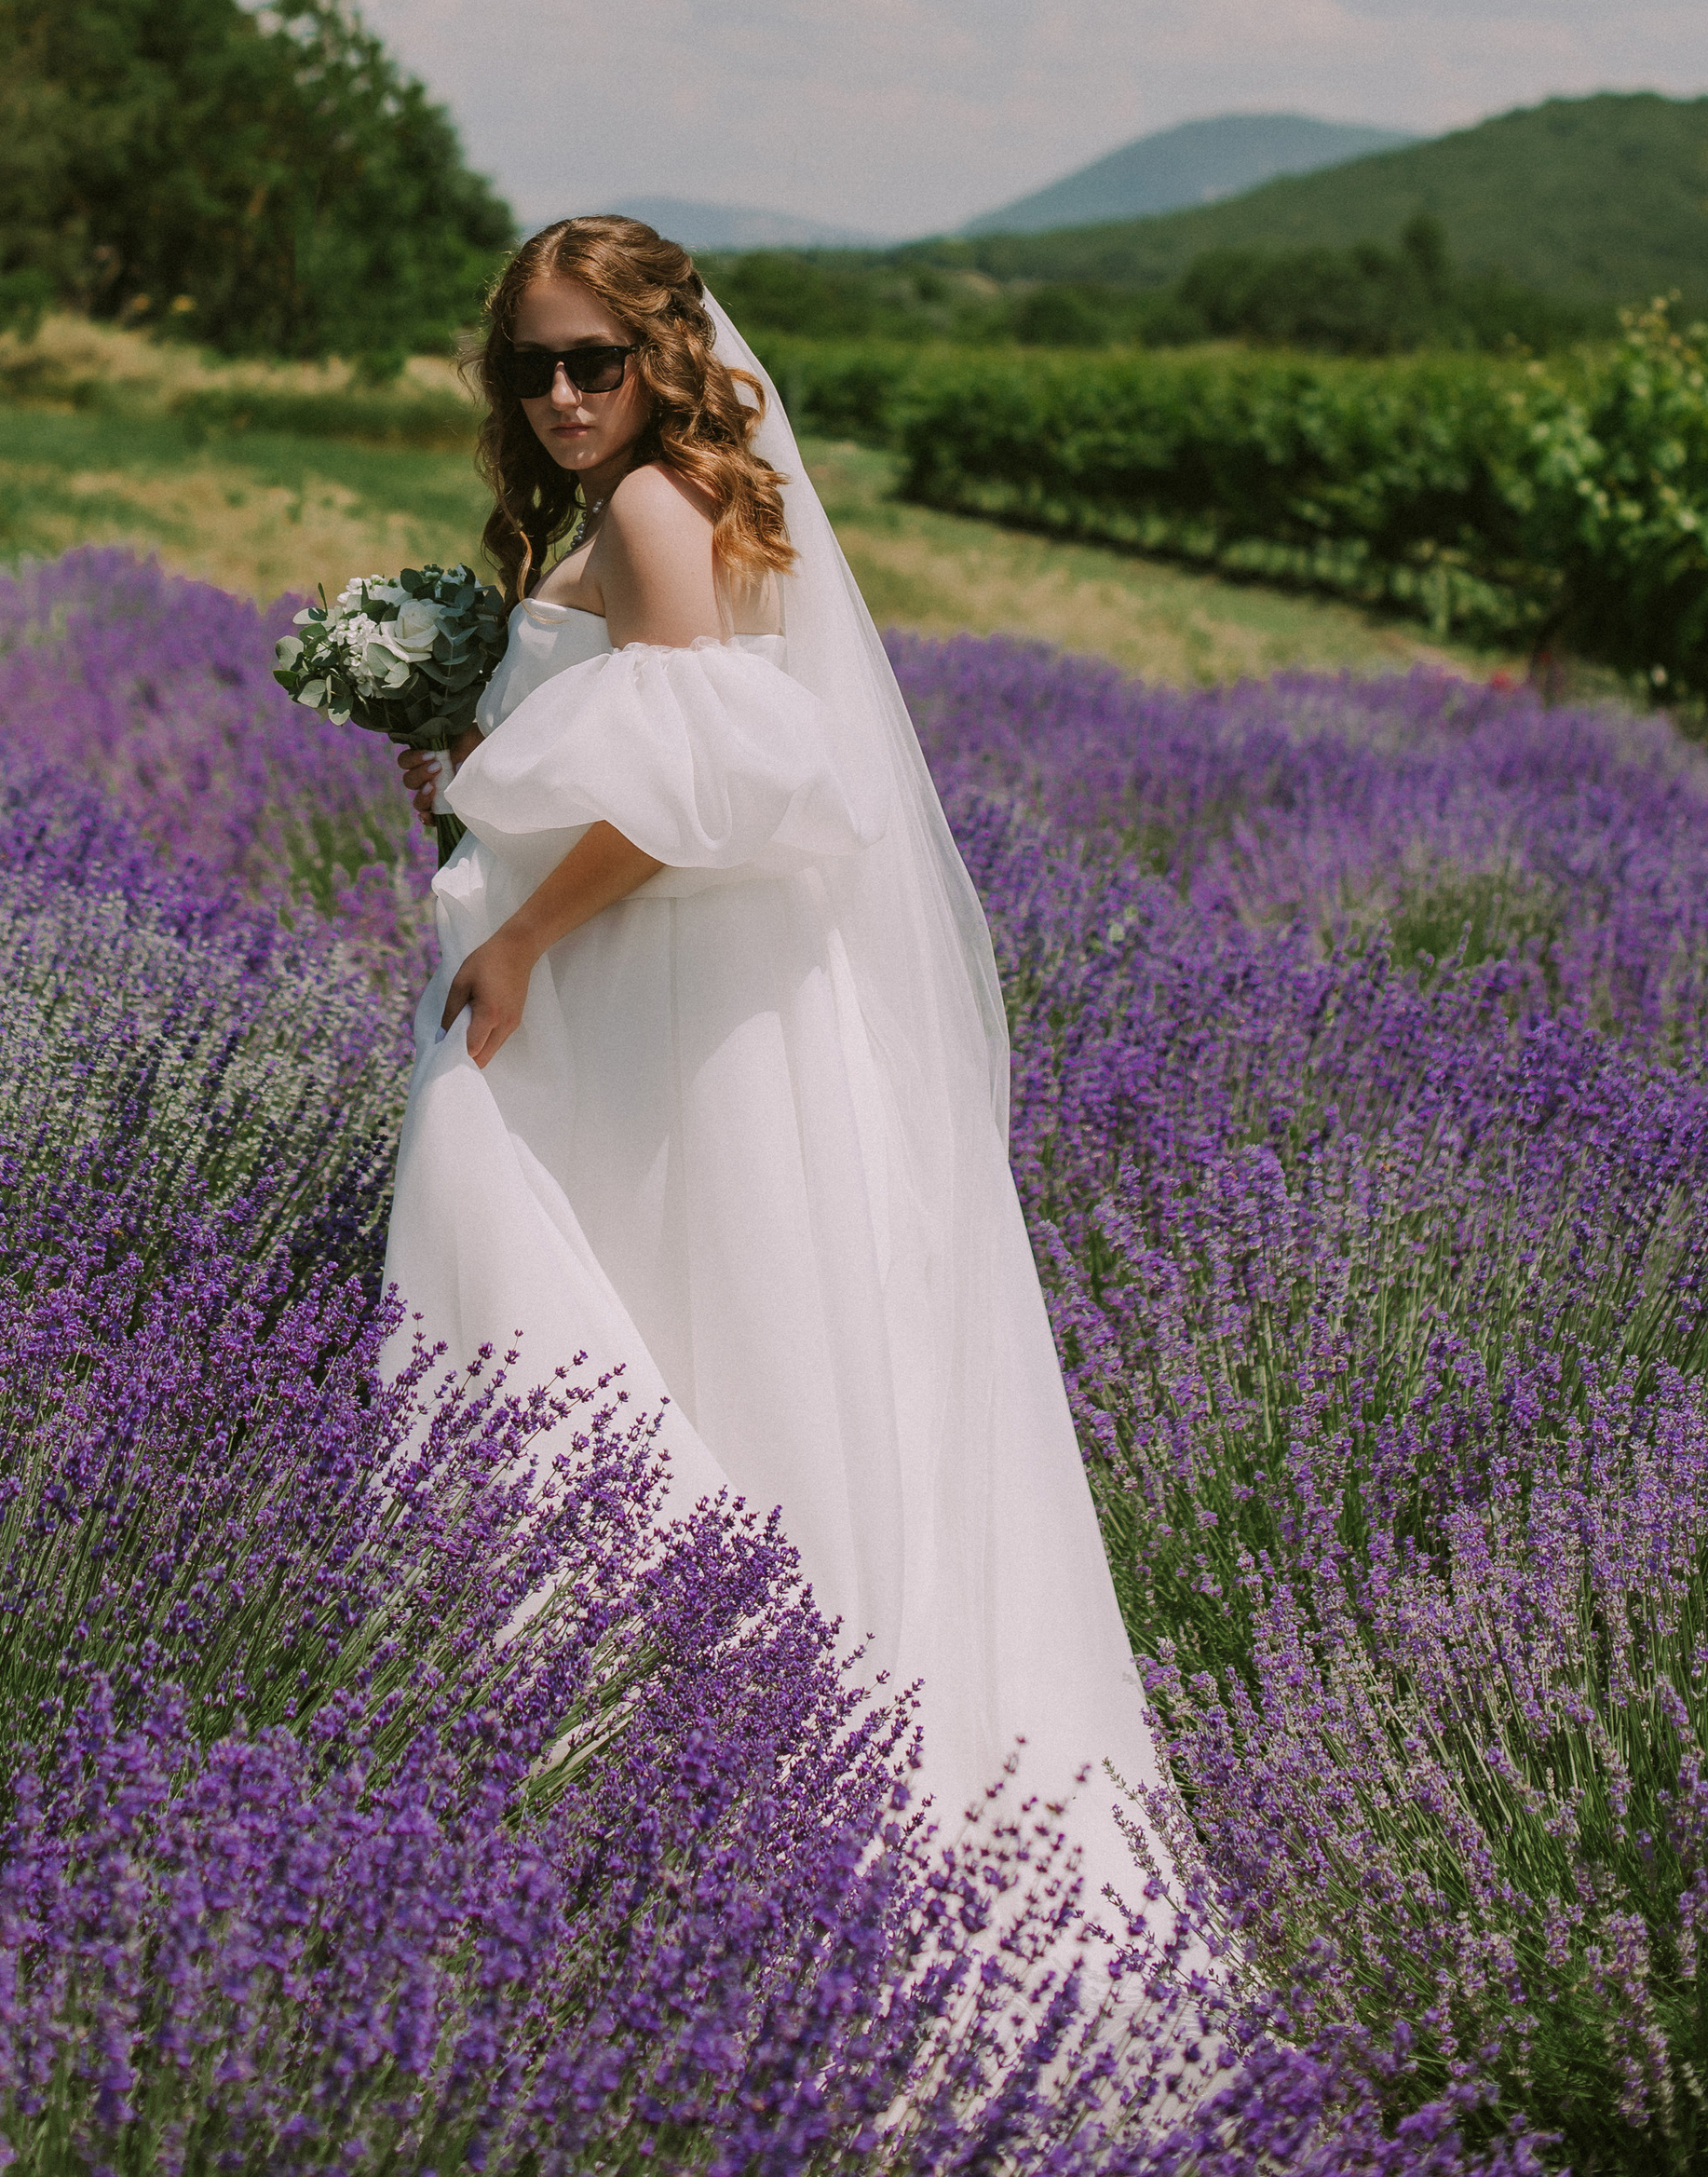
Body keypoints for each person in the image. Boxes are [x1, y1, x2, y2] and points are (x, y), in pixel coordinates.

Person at [385, 214, 1160, 1903]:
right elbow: (648, 750)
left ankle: (661, 1737)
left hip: (645, 978)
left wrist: (519, 934)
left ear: (662, 356)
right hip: (707, 986)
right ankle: (746, 1741)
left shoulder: (658, 508)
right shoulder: (681, 500)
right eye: (537, 365)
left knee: (626, 1312)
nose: (568, 393)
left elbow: (693, 792)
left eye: (598, 359)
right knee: (731, 1320)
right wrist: (472, 765)